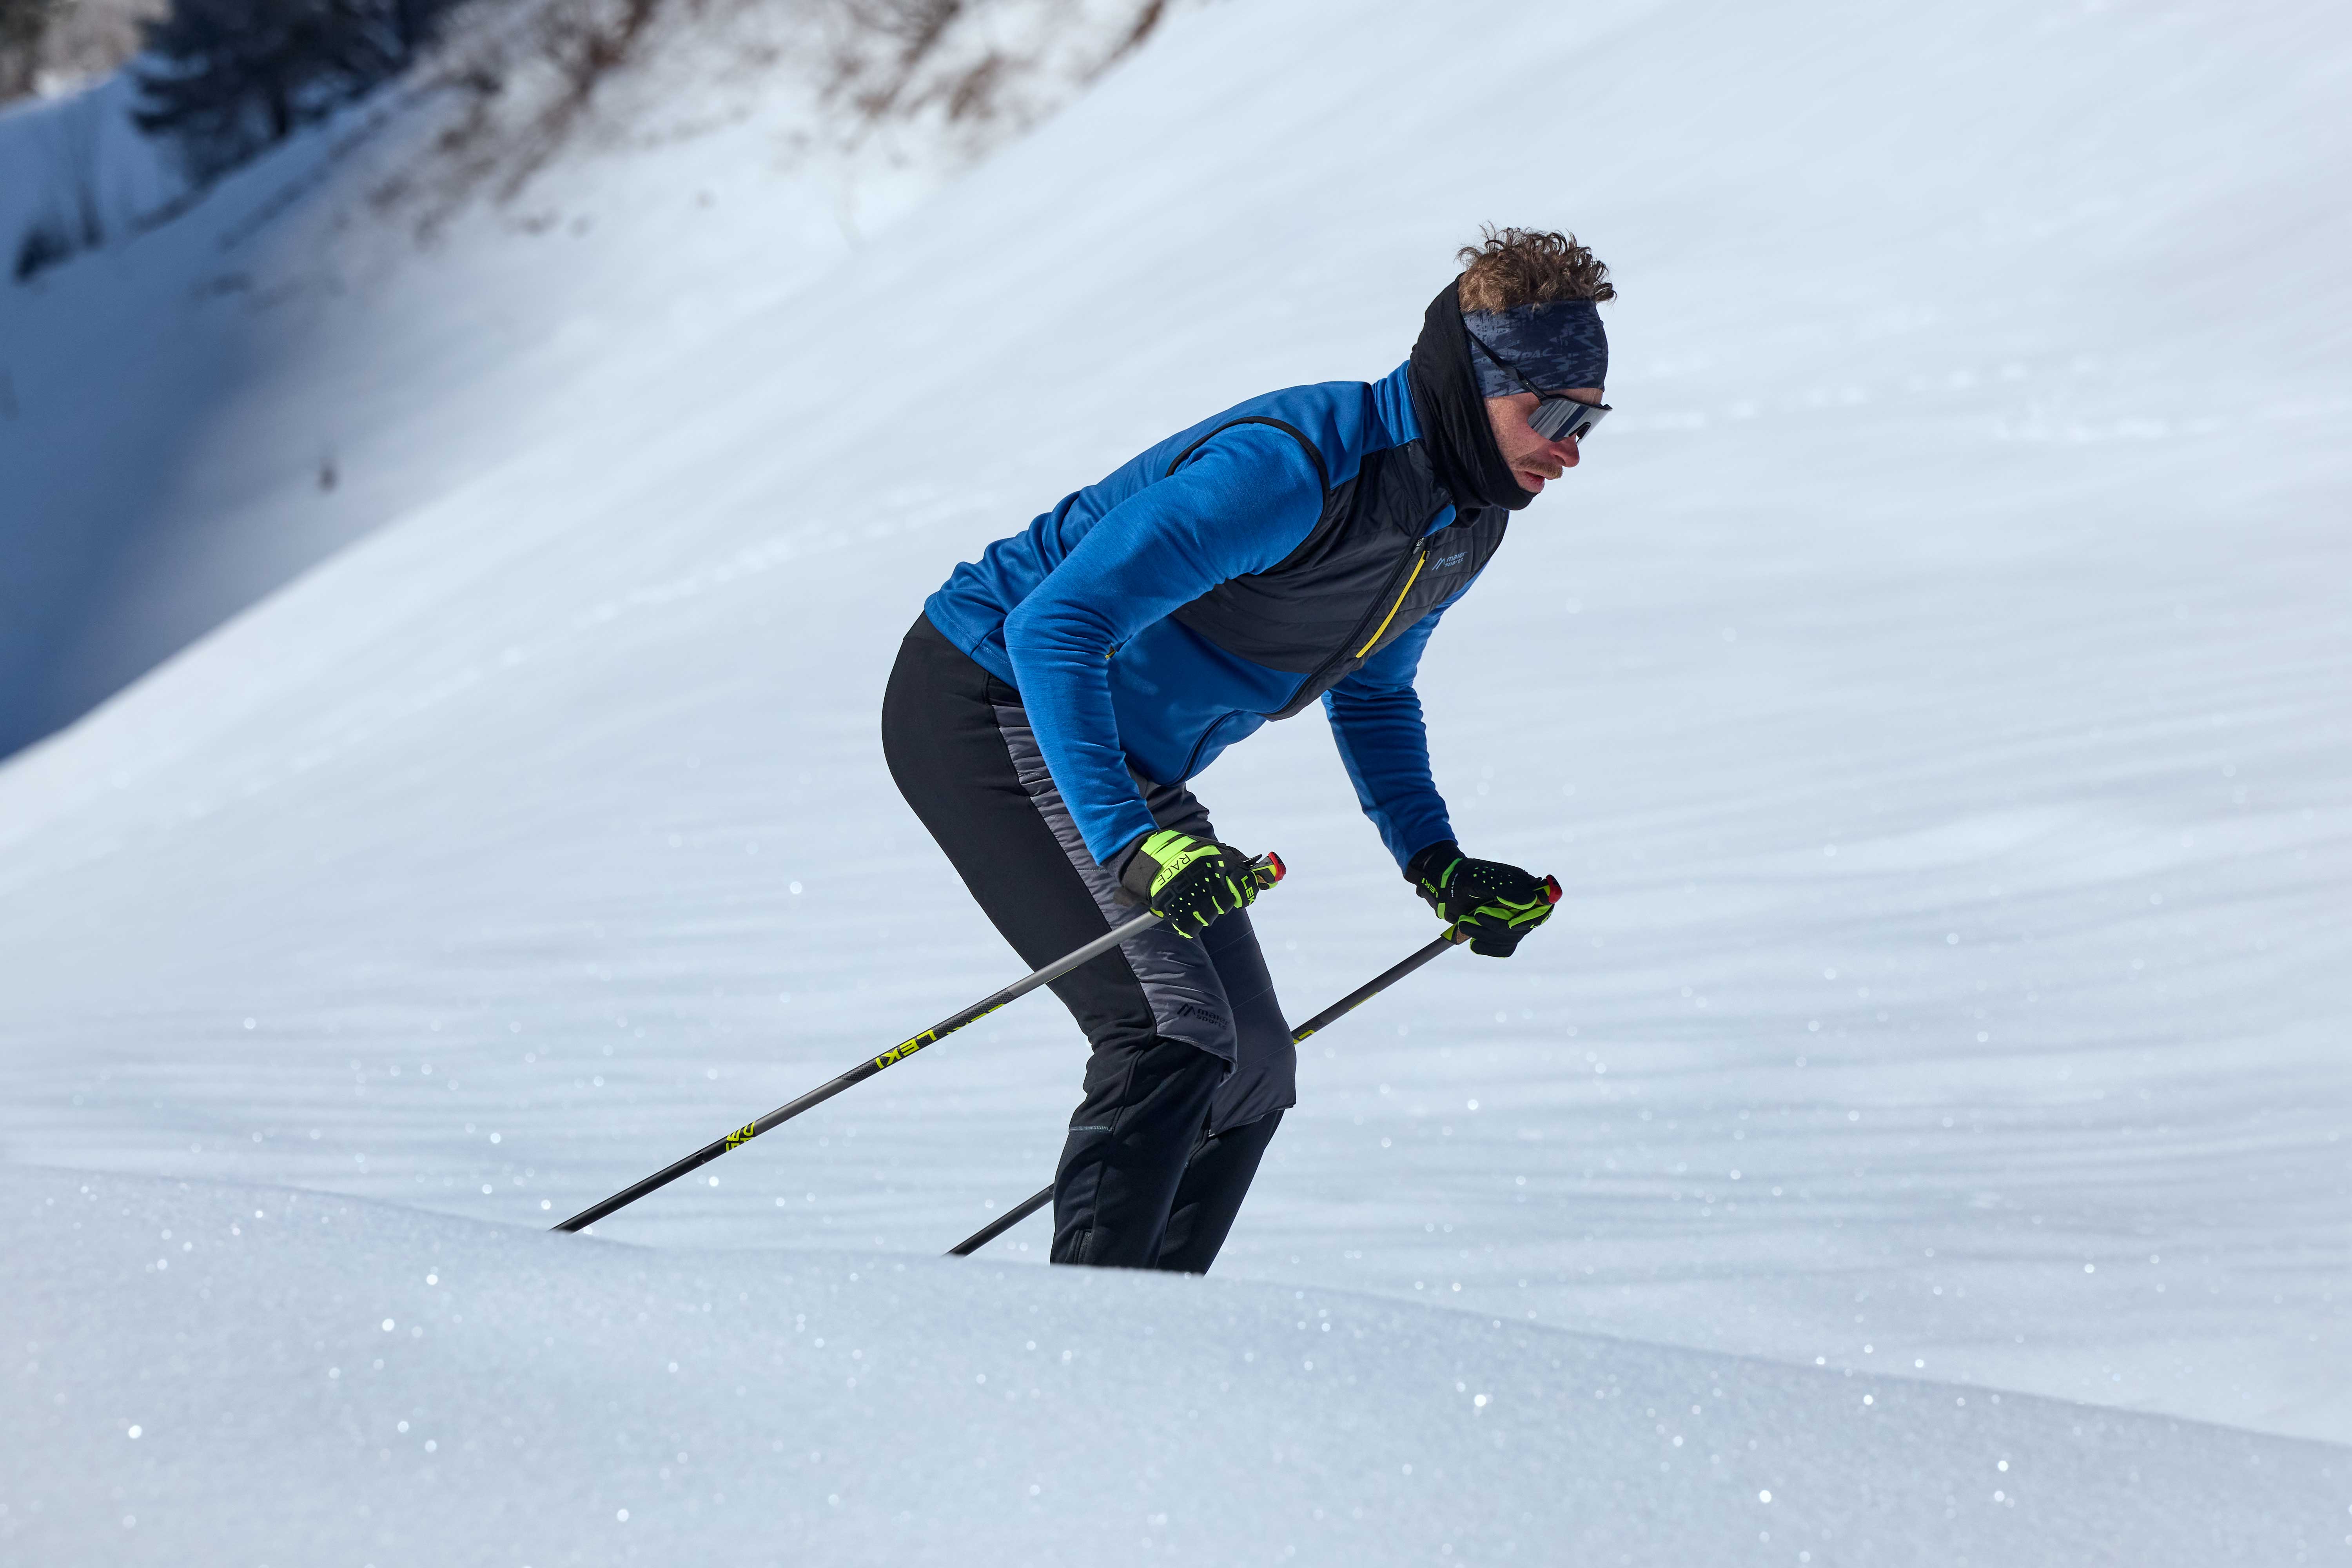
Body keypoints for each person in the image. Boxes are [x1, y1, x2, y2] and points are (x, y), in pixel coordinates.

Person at [882, 227, 1611, 1272]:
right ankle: (1081, 1355)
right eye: (1547, 409)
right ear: (1468, 380)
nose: (1570, 444)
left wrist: (1435, 863)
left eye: (1589, 420)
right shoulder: (1294, 467)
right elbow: (1055, 628)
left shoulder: (1464, 523)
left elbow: (1374, 692)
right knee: (1171, 1035)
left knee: (1253, 1066)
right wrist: (1131, 844)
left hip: (1123, 759)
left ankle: (1163, 1344)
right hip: (989, 697)